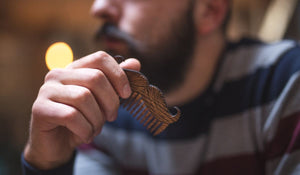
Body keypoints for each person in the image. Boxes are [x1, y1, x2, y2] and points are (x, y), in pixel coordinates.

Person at [21, 0, 300, 174]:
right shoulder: (102, 110)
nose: (98, 7)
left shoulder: (285, 84)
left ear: (209, 11)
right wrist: (47, 165)